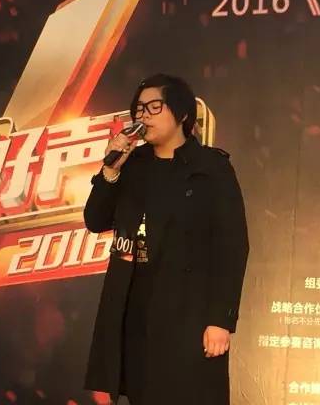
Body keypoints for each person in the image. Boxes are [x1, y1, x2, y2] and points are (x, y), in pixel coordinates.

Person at [83, 74, 249, 405]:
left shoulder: (211, 167)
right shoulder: (133, 165)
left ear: (182, 113)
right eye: (139, 109)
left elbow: (232, 246)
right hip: (136, 307)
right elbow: (95, 220)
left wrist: (220, 320)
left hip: (190, 312)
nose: (143, 115)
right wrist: (110, 171)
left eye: (154, 107)